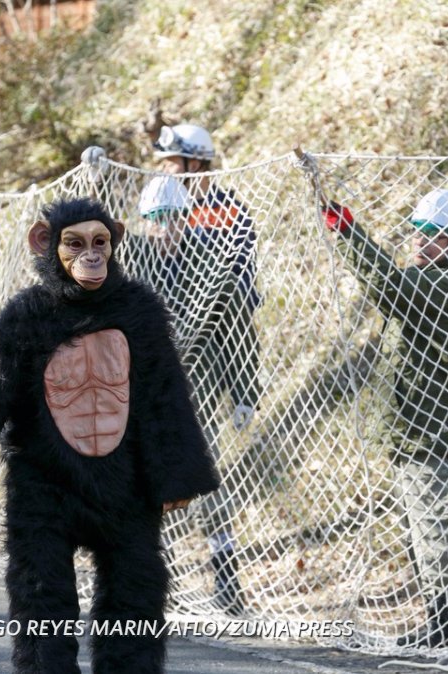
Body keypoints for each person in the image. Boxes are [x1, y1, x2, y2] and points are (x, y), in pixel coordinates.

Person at [0, 197, 220, 673]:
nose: (91, 256)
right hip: (45, 484)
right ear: (46, 244)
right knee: (41, 603)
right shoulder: (27, 317)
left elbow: (165, 395)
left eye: (100, 243)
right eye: (75, 245)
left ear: (115, 242)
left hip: (125, 485)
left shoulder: (139, 311)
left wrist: (176, 477)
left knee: (135, 600)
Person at [321, 189, 448, 648]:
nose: (418, 240)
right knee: (419, 533)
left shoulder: (445, 284)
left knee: (436, 532)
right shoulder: (427, 280)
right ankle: (439, 623)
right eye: (416, 231)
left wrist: (347, 230)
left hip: (435, 432)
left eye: (429, 234)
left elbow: (387, 287)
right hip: (415, 430)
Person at [137, 125, 261, 616]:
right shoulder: (139, 254)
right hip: (146, 388)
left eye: (174, 163)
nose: (168, 172)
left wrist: (243, 388)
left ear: (197, 164)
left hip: (201, 378)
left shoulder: (223, 224)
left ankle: (225, 571)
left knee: (199, 473)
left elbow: (237, 315)